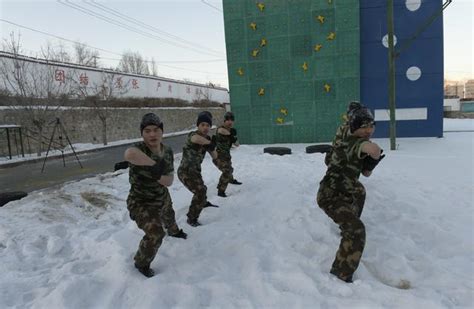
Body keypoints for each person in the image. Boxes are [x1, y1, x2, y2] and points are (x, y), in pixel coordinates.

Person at [317, 106, 385, 283]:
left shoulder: (355, 138)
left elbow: (366, 174)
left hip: (347, 188)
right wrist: (374, 156)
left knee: (360, 190)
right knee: (357, 230)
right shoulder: (352, 142)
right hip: (330, 194)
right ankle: (341, 274)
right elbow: (373, 150)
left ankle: (347, 228)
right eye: (364, 127)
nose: (368, 130)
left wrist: (369, 165)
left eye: (371, 126)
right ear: (354, 127)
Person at [124, 113, 187, 278]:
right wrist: (154, 165)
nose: (152, 134)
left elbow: (169, 180)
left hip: (161, 195)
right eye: (147, 131)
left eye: (156, 130)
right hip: (141, 201)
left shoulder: (167, 151)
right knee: (156, 233)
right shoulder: (139, 148)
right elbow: (129, 154)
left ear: (162, 131)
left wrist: (159, 176)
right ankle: (141, 262)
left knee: (169, 213)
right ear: (142, 133)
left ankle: (174, 231)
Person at [178, 111, 219, 227]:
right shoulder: (193, 134)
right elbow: (196, 139)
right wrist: (210, 143)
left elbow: (214, 155)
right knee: (200, 192)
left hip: (195, 172)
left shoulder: (208, 139)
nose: (205, 127)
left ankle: (203, 203)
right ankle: (191, 218)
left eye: (208, 125)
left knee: (202, 189)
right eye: (203, 125)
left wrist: (214, 147)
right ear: (198, 125)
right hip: (185, 171)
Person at [324, 101, 365, 217]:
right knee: (356, 190)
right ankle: (351, 217)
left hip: (337, 160)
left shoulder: (351, 125)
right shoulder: (349, 127)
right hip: (339, 161)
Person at [214, 111, 242, 197]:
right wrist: (230, 135)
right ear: (224, 121)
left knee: (230, 168)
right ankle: (220, 190)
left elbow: (237, 145)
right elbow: (221, 131)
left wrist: (233, 138)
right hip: (217, 156)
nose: (230, 122)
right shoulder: (221, 129)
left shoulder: (231, 131)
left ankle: (231, 180)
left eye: (232, 120)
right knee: (227, 171)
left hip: (226, 155)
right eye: (228, 120)